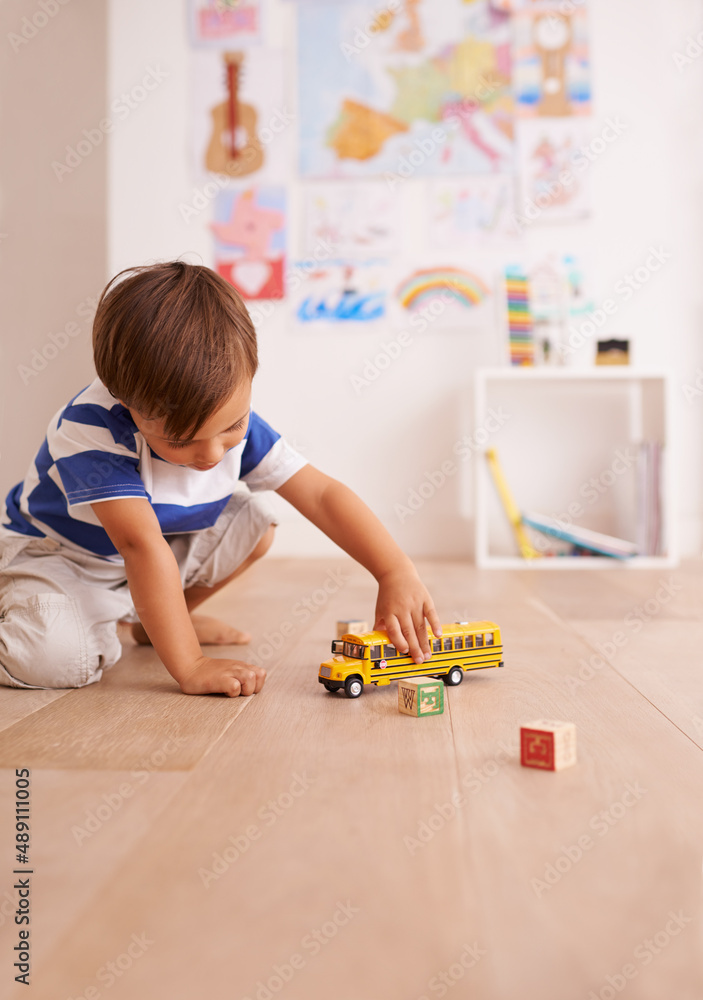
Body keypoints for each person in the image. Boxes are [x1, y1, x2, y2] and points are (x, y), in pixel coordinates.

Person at [0, 262, 441, 696]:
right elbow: (140, 546)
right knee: (56, 658)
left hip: (136, 562)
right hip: (58, 557)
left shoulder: (229, 418)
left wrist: (393, 570)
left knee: (255, 523)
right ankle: (101, 618)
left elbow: (322, 494)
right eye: (182, 439)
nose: (212, 453)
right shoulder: (91, 429)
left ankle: (146, 624)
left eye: (232, 427)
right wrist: (190, 664)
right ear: (125, 399)